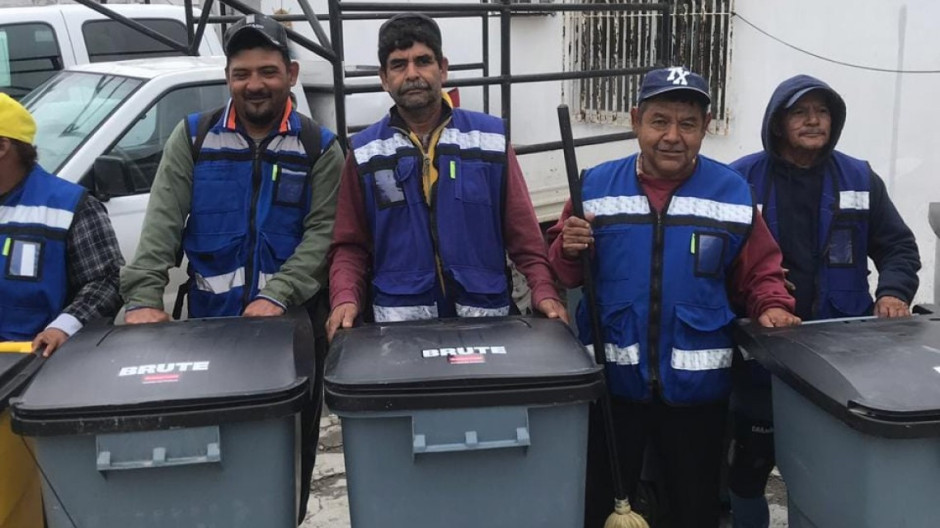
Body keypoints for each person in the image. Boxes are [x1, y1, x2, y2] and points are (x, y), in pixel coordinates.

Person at [547, 67, 800, 528]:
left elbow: (760, 271)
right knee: (600, 506)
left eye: (687, 123)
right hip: (611, 391)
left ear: (706, 127)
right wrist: (568, 246)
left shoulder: (733, 193)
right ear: (634, 120)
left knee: (694, 509)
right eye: (659, 120)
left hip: (697, 397)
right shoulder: (595, 187)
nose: (672, 136)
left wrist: (773, 305)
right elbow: (562, 271)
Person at [119, 14, 343, 524]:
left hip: (292, 334)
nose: (254, 84)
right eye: (242, 73)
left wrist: (278, 295)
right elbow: (161, 226)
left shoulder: (320, 149)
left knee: (288, 457)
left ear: (291, 72)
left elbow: (321, 238)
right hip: (208, 332)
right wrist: (142, 299)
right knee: (212, 455)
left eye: (267, 71)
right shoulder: (193, 139)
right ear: (228, 78)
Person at [726, 75, 921, 528]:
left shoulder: (858, 177)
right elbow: (716, 263)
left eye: (823, 112)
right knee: (749, 469)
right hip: (763, 359)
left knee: (828, 474)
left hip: (842, 361)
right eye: (801, 112)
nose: (815, 121)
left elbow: (898, 247)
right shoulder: (738, 179)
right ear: (777, 123)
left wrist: (893, 292)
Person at [326, 13, 566, 338]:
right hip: (400, 332)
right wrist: (344, 298)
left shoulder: (491, 140)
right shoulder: (365, 151)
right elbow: (350, 245)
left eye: (423, 61)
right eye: (399, 65)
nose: (412, 74)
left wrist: (544, 291)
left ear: (443, 68)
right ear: (384, 77)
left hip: (487, 325)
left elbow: (525, 237)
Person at [0, 93, 123, 356]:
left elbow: (107, 281)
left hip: (36, 362)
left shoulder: (69, 205)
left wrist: (62, 328)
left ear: (3, 147)